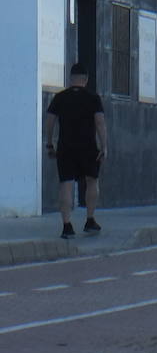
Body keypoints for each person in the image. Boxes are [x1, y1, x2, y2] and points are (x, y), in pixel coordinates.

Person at [44, 62, 107, 239]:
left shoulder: (60, 98)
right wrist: (104, 146)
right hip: (88, 147)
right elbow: (100, 122)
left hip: (66, 147)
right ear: (85, 79)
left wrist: (49, 143)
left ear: (71, 79)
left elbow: (49, 121)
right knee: (92, 181)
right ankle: (90, 220)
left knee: (66, 184)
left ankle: (66, 225)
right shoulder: (93, 98)